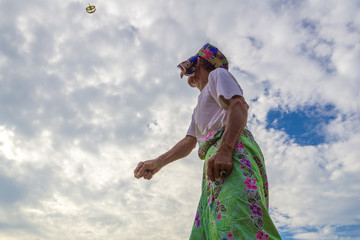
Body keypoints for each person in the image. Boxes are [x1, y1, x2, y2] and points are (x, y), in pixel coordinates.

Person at [134, 43, 281, 239]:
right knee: (217, 226)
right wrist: (158, 162)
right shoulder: (199, 106)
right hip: (215, 158)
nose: (188, 75)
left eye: (192, 67)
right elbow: (189, 141)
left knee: (238, 220)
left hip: (230, 150)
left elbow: (238, 104)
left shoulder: (217, 75)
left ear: (202, 63)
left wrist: (226, 149)